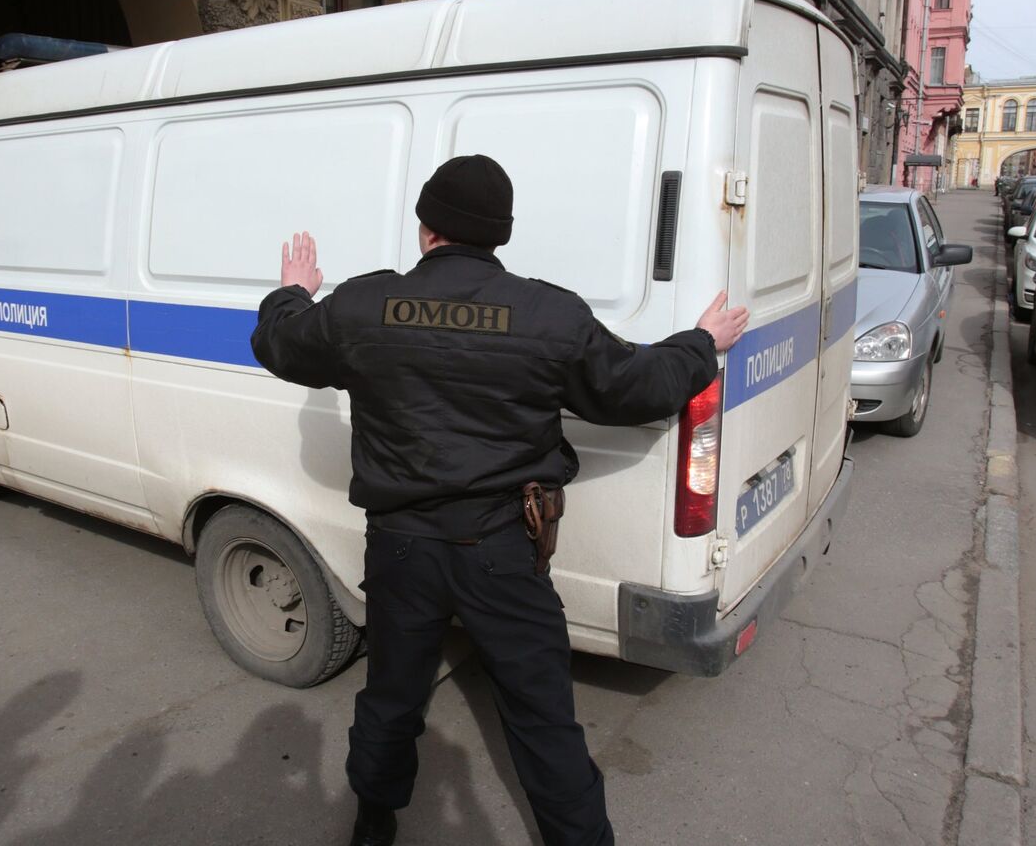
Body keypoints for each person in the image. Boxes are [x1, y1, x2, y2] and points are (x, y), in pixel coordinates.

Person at [249, 155, 750, 846]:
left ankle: (372, 827)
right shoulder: (550, 313)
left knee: (392, 699)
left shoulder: (365, 305)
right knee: (542, 715)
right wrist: (700, 344)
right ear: (497, 237)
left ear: (426, 229)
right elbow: (632, 386)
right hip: (503, 548)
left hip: (401, 547)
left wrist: (293, 293)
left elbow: (279, 345)